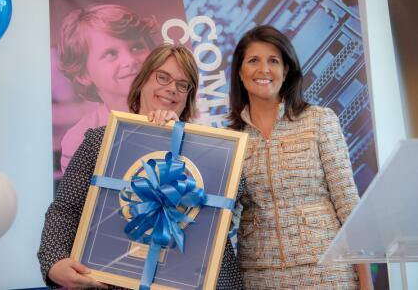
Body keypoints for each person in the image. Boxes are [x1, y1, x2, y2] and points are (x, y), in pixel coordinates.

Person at [38, 44, 244, 289]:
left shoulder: (209, 150)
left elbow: (230, 197)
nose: (172, 89)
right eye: (163, 77)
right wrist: (54, 262)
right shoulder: (99, 141)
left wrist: (181, 142)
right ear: (142, 81)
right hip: (113, 282)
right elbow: (65, 209)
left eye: (183, 84)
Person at [228, 25, 373, 289]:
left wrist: (365, 280)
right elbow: (226, 217)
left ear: (286, 70)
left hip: (326, 272)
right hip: (260, 277)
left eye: (273, 61)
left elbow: (348, 202)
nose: (264, 70)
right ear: (239, 72)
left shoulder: (319, 120)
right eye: (253, 61)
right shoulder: (230, 139)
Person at [57, 4, 158, 172]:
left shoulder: (181, 108)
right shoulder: (79, 139)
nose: (130, 61)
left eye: (137, 47)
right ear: (83, 74)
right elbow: (81, 197)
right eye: (110, 54)